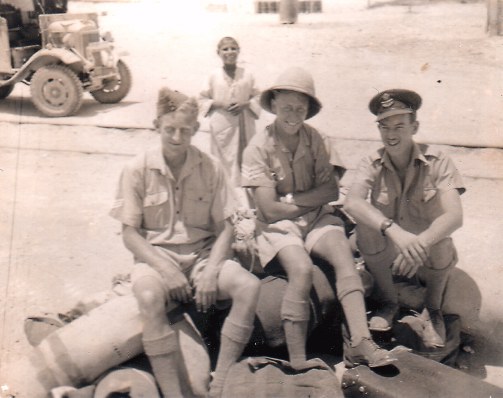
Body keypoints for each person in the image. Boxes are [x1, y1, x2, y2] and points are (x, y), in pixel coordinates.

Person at [110, 87, 260, 398]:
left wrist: (210, 271)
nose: (177, 137)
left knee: (249, 286)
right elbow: (130, 233)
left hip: (203, 256)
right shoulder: (137, 169)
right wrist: (166, 270)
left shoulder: (210, 167)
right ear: (156, 125)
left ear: (195, 129)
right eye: (170, 129)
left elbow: (226, 228)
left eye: (185, 130)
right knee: (149, 297)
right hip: (155, 258)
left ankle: (219, 385)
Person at [241, 67, 393, 369]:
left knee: (343, 257)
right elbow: (268, 209)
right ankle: (298, 360)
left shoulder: (318, 140)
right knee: (301, 269)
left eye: (300, 108)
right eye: (286, 107)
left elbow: (329, 190)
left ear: (309, 110)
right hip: (278, 225)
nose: (293, 115)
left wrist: (292, 202)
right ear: (273, 105)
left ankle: (362, 342)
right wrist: (301, 204)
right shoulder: (257, 147)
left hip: (316, 218)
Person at [344, 89, 465, 348]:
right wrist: (395, 233)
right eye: (384, 126)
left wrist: (419, 243)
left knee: (442, 240)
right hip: (390, 253)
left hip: (426, 255)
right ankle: (388, 301)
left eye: (399, 126)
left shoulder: (438, 161)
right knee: (365, 229)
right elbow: (352, 201)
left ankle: (432, 310)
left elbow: (455, 216)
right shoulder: (371, 162)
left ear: (415, 127)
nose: (391, 134)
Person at [199, 36, 261, 192]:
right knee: (223, 162)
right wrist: (219, 103)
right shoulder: (213, 76)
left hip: (245, 123)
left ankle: (246, 196)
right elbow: (201, 98)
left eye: (233, 48)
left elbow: (259, 96)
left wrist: (245, 104)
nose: (230, 52)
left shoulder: (247, 74)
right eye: (225, 49)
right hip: (222, 125)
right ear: (218, 52)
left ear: (239, 51)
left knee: (246, 158)